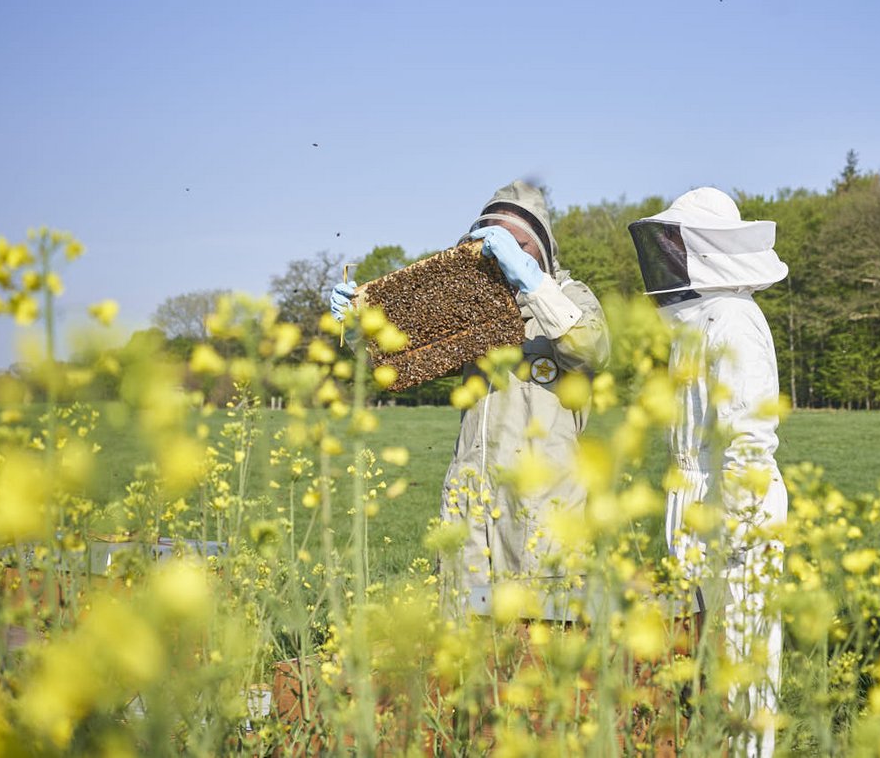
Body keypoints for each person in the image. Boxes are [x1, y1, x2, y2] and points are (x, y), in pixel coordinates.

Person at [331, 180, 608, 611]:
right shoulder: (469, 306)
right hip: (471, 503)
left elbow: (590, 349)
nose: (505, 254)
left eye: (518, 244)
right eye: (496, 242)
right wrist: (357, 328)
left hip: (543, 505)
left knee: (545, 643)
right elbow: (393, 365)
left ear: (541, 247)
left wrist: (533, 283)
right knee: (468, 645)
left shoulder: (572, 297)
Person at [629, 187, 789, 758]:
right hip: (698, 498)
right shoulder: (695, 327)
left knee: (745, 656)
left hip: (735, 503)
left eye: (675, 245)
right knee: (705, 653)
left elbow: (749, 436)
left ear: (705, 251)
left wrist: (738, 526)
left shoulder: (736, 321)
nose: (666, 258)